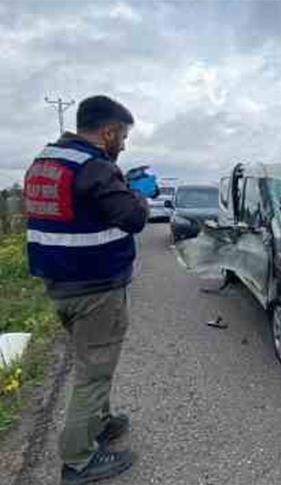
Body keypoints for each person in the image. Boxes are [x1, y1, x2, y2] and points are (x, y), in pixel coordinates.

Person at [24, 95, 157, 484]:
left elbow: (83, 209)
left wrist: (121, 186)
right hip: (95, 289)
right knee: (94, 372)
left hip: (60, 283)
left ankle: (100, 422)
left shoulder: (44, 162)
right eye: (124, 136)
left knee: (91, 361)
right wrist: (140, 195)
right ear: (108, 131)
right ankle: (79, 460)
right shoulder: (96, 167)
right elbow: (132, 218)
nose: (124, 144)